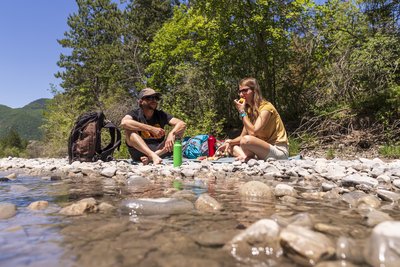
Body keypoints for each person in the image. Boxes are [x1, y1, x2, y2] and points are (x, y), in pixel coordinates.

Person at [219, 77, 289, 161]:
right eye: (240, 91)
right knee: (230, 146)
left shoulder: (266, 108)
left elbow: (253, 132)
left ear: (254, 91)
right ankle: (247, 157)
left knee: (246, 140)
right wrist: (228, 142)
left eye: (245, 90)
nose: (241, 94)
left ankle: (247, 157)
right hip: (261, 150)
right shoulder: (249, 112)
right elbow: (242, 136)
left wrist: (242, 112)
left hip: (278, 150)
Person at [120, 88, 186, 164]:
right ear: (141, 101)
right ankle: (152, 156)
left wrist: (172, 134)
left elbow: (182, 124)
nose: (153, 100)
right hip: (139, 152)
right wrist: (151, 129)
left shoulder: (161, 114)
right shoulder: (135, 113)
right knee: (129, 130)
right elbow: (124, 123)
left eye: (156, 98)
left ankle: (151, 157)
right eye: (150, 98)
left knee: (178, 131)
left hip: (160, 152)